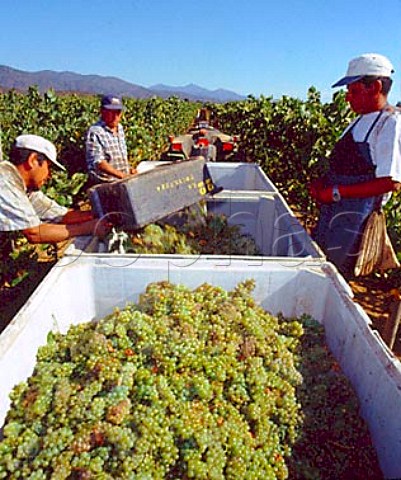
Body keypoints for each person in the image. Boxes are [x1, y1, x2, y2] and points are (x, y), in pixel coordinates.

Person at [310, 53, 401, 276]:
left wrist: (335, 193)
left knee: (332, 274)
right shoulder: (359, 119)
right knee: (319, 263)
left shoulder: (389, 123)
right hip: (335, 212)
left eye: (354, 91)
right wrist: (323, 183)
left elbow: (390, 182)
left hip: (354, 221)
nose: (348, 98)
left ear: (376, 87)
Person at [0, 134, 110, 244]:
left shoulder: (24, 187)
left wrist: (101, 215)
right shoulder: (5, 180)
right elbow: (34, 233)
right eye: (48, 167)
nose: (49, 175)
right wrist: (88, 228)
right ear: (32, 160)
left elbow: (60, 215)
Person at [85, 94, 136, 185]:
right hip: (106, 183)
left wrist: (129, 169)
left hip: (122, 180)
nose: (115, 116)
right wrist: (122, 175)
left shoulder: (120, 128)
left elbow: (119, 155)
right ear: (103, 112)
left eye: (118, 112)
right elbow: (98, 162)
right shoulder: (95, 131)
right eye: (111, 112)